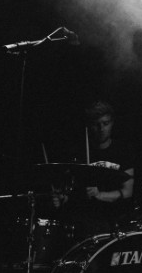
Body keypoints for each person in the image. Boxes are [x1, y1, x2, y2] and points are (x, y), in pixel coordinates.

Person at [52, 100, 136, 237]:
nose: (101, 128)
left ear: (112, 123)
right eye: (96, 124)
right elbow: (69, 191)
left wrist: (99, 195)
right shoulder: (79, 154)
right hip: (85, 222)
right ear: (89, 126)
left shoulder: (122, 152)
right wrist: (62, 199)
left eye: (105, 123)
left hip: (116, 221)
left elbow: (128, 192)